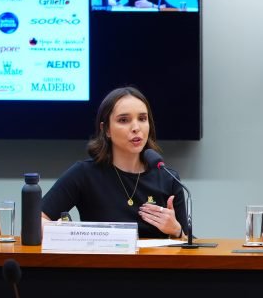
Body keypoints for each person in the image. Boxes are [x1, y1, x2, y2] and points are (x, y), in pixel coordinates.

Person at [41, 86, 187, 239]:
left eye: (142, 119)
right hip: (101, 255)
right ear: (106, 129)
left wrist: (177, 230)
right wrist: (61, 231)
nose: (136, 128)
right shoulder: (84, 174)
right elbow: (35, 220)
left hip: (155, 256)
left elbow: (191, 244)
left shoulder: (168, 178)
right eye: (124, 120)